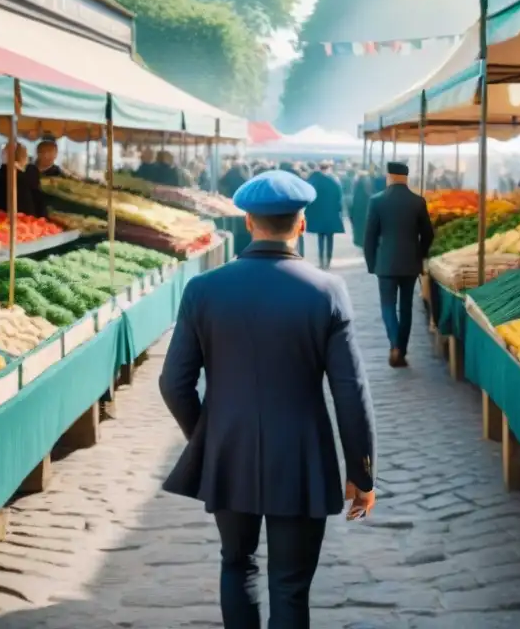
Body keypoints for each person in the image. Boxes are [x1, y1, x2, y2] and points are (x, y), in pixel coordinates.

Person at [160, 170, 376, 629]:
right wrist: (361, 472)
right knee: (291, 584)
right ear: (301, 224)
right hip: (301, 454)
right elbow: (350, 392)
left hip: (229, 447)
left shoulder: (203, 289)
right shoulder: (326, 291)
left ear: (248, 223)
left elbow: (174, 383)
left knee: (236, 563)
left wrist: (205, 435)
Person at [363, 161, 435, 368]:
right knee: (406, 307)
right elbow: (428, 234)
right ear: (406, 178)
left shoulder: (376, 201)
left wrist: (372, 263)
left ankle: (394, 345)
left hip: (385, 263)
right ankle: (401, 350)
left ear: (390, 177)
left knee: (387, 305)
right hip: (410, 263)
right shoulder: (418, 201)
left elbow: (370, 236)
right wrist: (419, 254)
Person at [304, 161, 345, 269]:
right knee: (330, 238)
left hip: (319, 213)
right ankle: (329, 260)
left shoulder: (315, 180)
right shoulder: (334, 181)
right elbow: (339, 197)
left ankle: (321, 260)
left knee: (320, 238)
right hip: (331, 214)